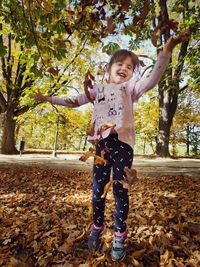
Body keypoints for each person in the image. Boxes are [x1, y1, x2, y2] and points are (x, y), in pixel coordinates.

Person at [33, 34, 188, 261]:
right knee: (97, 191)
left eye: (130, 66)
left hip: (123, 145)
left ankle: (119, 235)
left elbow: (152, 79)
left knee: (120, 190)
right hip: (101, 147)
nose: (124, 68)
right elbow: (74, 100)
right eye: (120, 64)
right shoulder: (99, 89)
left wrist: (166, 50)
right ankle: (97, 227)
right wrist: (49, 98)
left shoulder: (131, 88)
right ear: (109, 68)